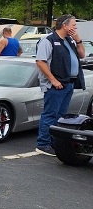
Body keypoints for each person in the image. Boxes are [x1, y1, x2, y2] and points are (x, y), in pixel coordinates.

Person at [35, 15, 86, 155]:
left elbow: (82, 55)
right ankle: (43, 144)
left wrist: (78, 39)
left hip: (68, 83)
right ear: (65, 25)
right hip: (56, 85)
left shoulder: (69, 40)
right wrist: (53, 80)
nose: (75, 28)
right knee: (50, 114)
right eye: (74, 25)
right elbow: (40, 61)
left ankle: (52, 142)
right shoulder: (48, 40)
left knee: (60, 115)